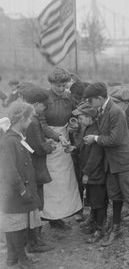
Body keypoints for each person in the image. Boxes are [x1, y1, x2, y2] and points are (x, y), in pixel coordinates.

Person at [83, 82, 129, 246]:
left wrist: (95, 138)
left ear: (100, 98)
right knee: (115, 196)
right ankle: (116, 229)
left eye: (90, 100)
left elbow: (115, 139)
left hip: (125, 161)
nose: (88, 104)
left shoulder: (116, 111)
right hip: (113, 162)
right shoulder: (103, 110)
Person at [0, 101, 41, 269]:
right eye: (29, 117)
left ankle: (12, 257)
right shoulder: (9, 141)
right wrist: (23, 190)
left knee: (15, 222)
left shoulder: (16, 138)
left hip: (18, 189)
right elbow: (10, 170)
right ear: (21, 118)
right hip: (15, 191)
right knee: (16, 224)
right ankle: (22, 259)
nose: (31, 120)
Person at [40, 67, 82, 229]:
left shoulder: (68, 97)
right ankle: (49, 216)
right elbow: (41, 124)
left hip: (65, 141)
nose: (61, 89)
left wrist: (73, 124)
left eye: (64, 85)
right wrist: (57, 137)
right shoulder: (44, 98)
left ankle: (61, 215)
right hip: (49, 142)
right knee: (52, 180)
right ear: (50, 84)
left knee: (64, 179)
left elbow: (74, 114)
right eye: (58, 86)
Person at [20, 84, 56, 252]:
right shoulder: (33, 122)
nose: (45, 108)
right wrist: (50, 145)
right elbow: (38, 148)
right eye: (43, 105)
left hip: (29, 167)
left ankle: (33, 238)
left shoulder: (26, 118)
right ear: (35, 104)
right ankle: (34, 241)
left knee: (34, 204)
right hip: (35, 168)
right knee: (36, 204)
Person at [73, 103, 107, 243]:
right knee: (93, 200)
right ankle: (94, 223)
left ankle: (100, 229)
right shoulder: (88, 128)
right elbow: (83, 145)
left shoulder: (96, 131)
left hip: (96, 174)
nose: (79, 120)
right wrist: (74, 148)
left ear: (89, 117)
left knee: (98, 202)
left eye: (81, 117)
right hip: (92, 173)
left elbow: (95, 157)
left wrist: (86, 173)